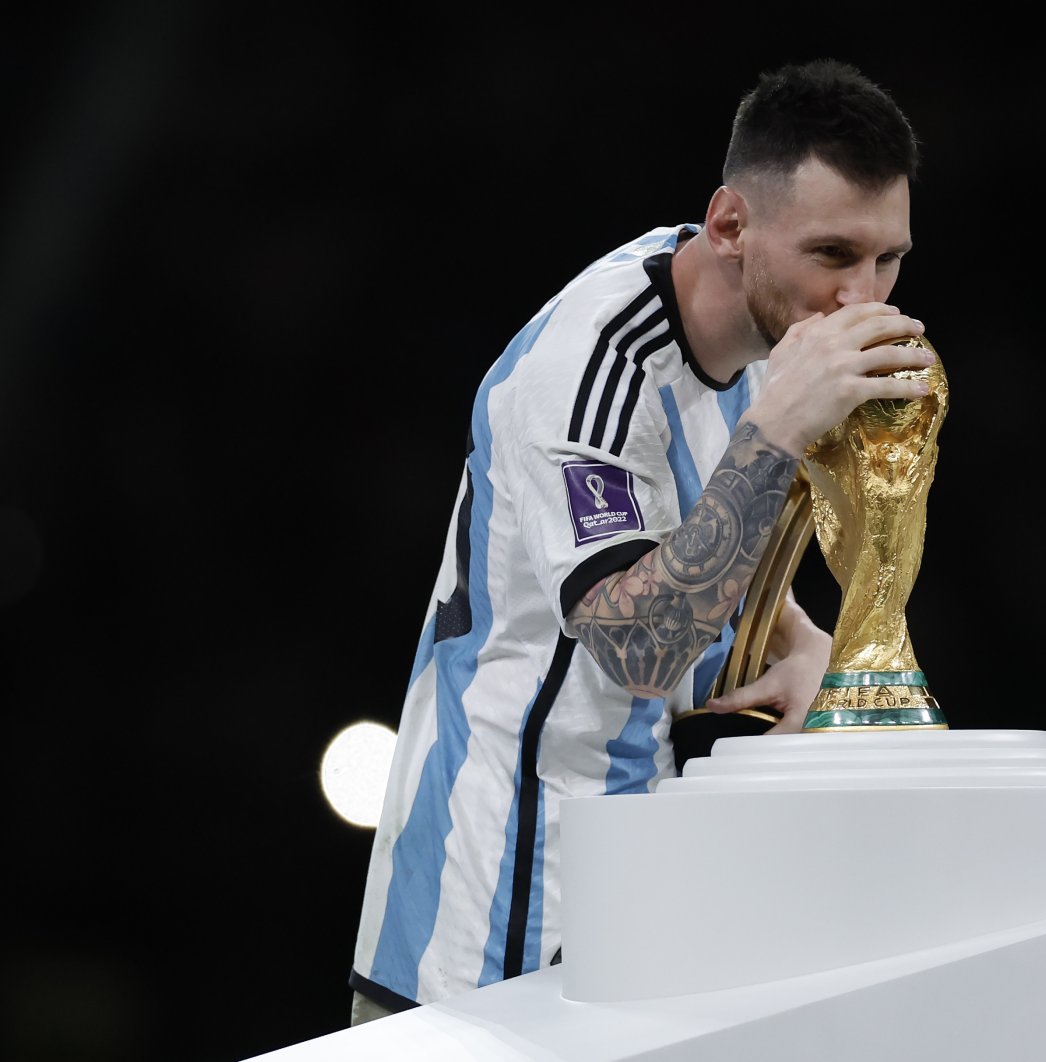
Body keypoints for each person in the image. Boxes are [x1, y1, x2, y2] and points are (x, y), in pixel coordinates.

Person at [348, 57, 928, 1023]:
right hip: (480, 902)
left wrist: (797, 640)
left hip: (625, 877)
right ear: (732, 226)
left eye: (890, 259)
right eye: (834, 255)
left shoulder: (757, 327)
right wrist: (777, 431)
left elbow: (685, 524)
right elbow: (641, 645)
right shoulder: (586, 372)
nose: (863, 298)